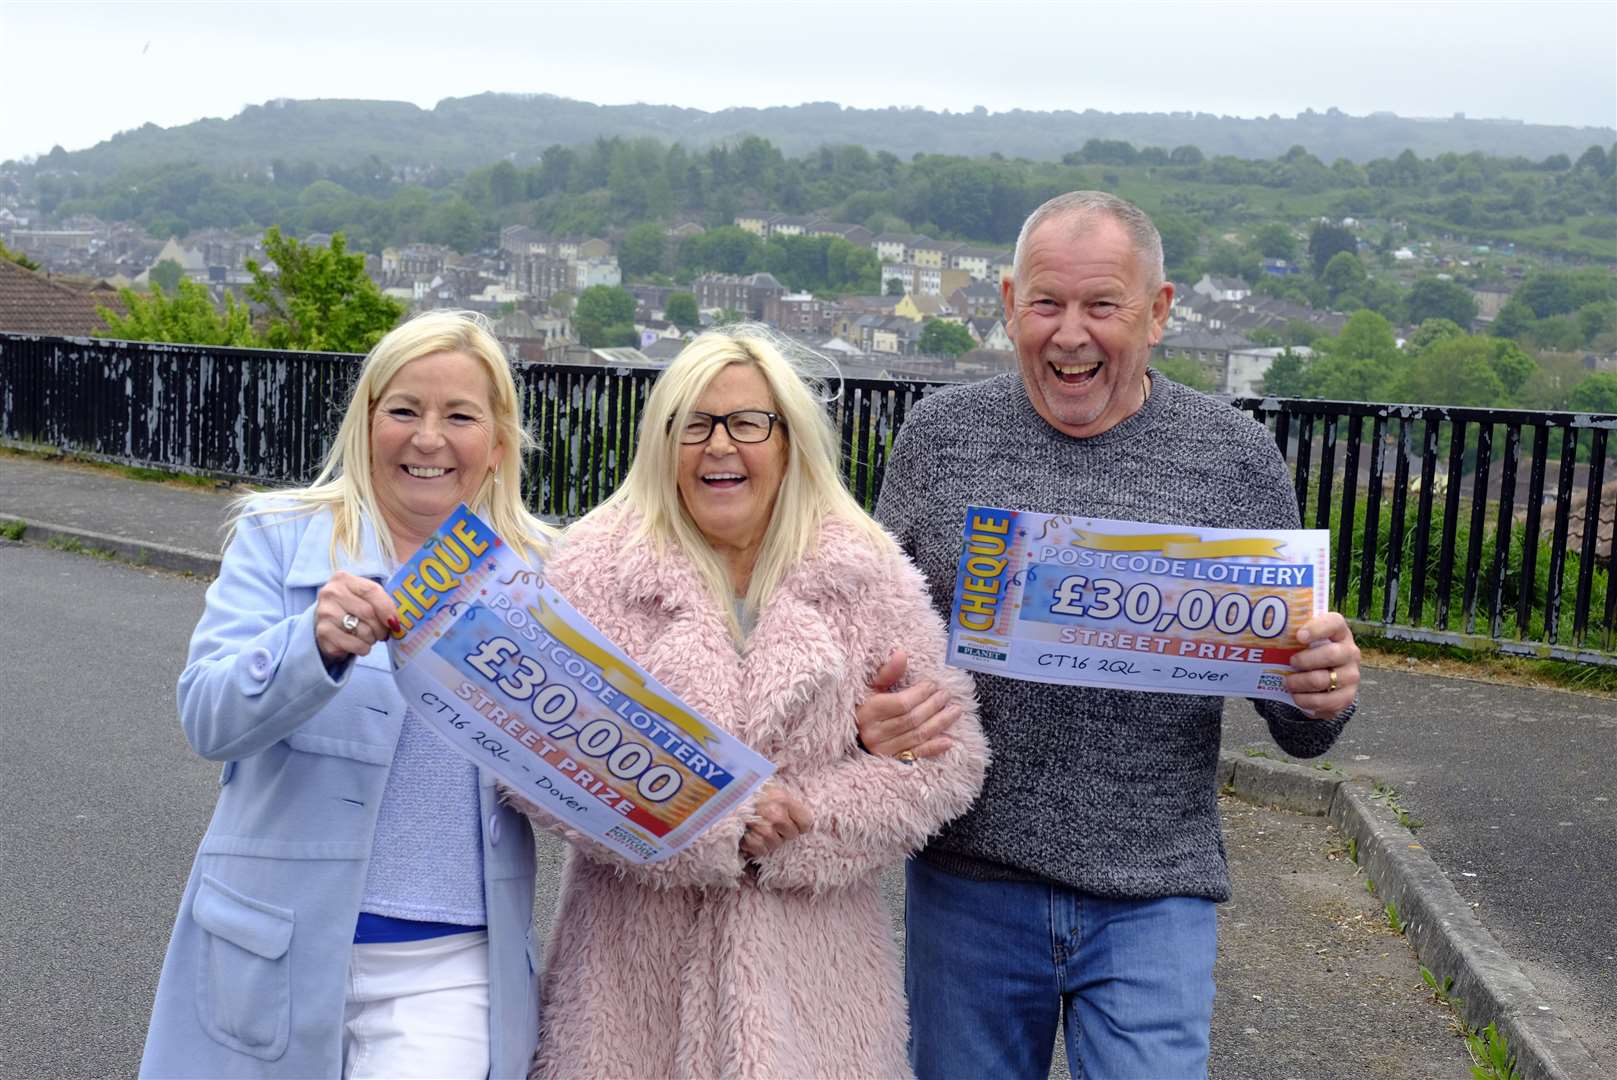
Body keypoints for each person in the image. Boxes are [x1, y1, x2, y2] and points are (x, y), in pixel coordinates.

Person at [858, 191, 1363, 1080]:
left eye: (1103, 306)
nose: (1069, 334)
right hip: (968, 881)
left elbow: (1299, 727)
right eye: (1047, 303)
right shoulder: (940, 438)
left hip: (1153, 890)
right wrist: (871, 711)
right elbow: (873, 634)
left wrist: (1320, 689)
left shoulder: (1232, 457)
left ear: (1158, 312)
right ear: (1009, 302)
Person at [505, 326, 989, 1080]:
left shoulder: (866, 569)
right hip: (628, 989)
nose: (718, 446)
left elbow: (947, 762)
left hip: (816, 994)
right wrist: (711, 815)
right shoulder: (592, 569)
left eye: (746, 423)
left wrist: (807, 815)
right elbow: (533, 753)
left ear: (789, 440)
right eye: (692, 424)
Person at [140, 310, 548, 1078]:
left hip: (448, 964)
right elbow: (207, 717)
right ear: (366, 425)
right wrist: (309, 646)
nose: (428, 438)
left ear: (497, 443)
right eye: (403, 410)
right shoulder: (277, 533)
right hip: (271, 946)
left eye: (459, 416)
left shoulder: (543, 577)